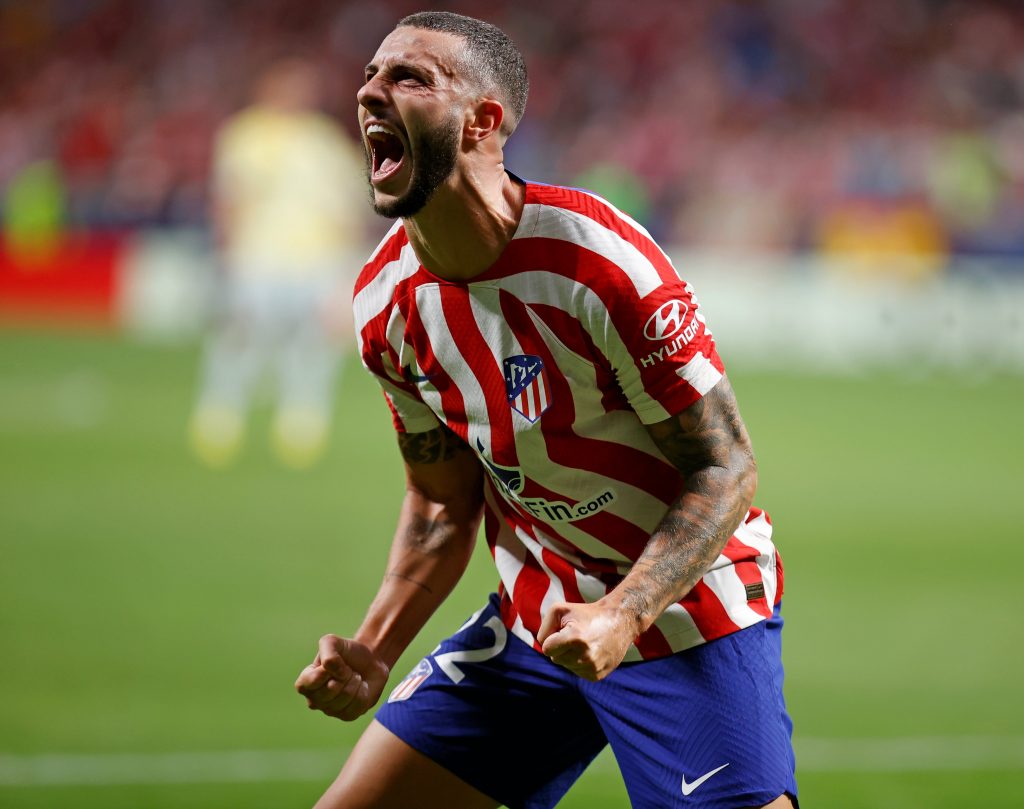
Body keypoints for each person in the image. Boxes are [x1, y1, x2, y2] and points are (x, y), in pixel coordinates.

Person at [296, 11, 798, 809]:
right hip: (537, 619)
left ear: (483, 122)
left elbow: (725, 465)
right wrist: (376, 646)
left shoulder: (598, 263)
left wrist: (623, 615)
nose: (370, 92)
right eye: (370, 74)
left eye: (409, 77)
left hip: (685, 613)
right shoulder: (383, 307)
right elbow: (439, 503)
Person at [188, 56, 367, 469]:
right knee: (243, 339)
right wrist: (227, 252)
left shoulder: (325, 139)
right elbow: (231, 196)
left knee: (312, 345)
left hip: (319, 260)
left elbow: (349, 206)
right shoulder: (247, 134)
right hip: (259, 257)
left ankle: (301, 422)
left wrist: (349, 261)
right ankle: (220, 416)